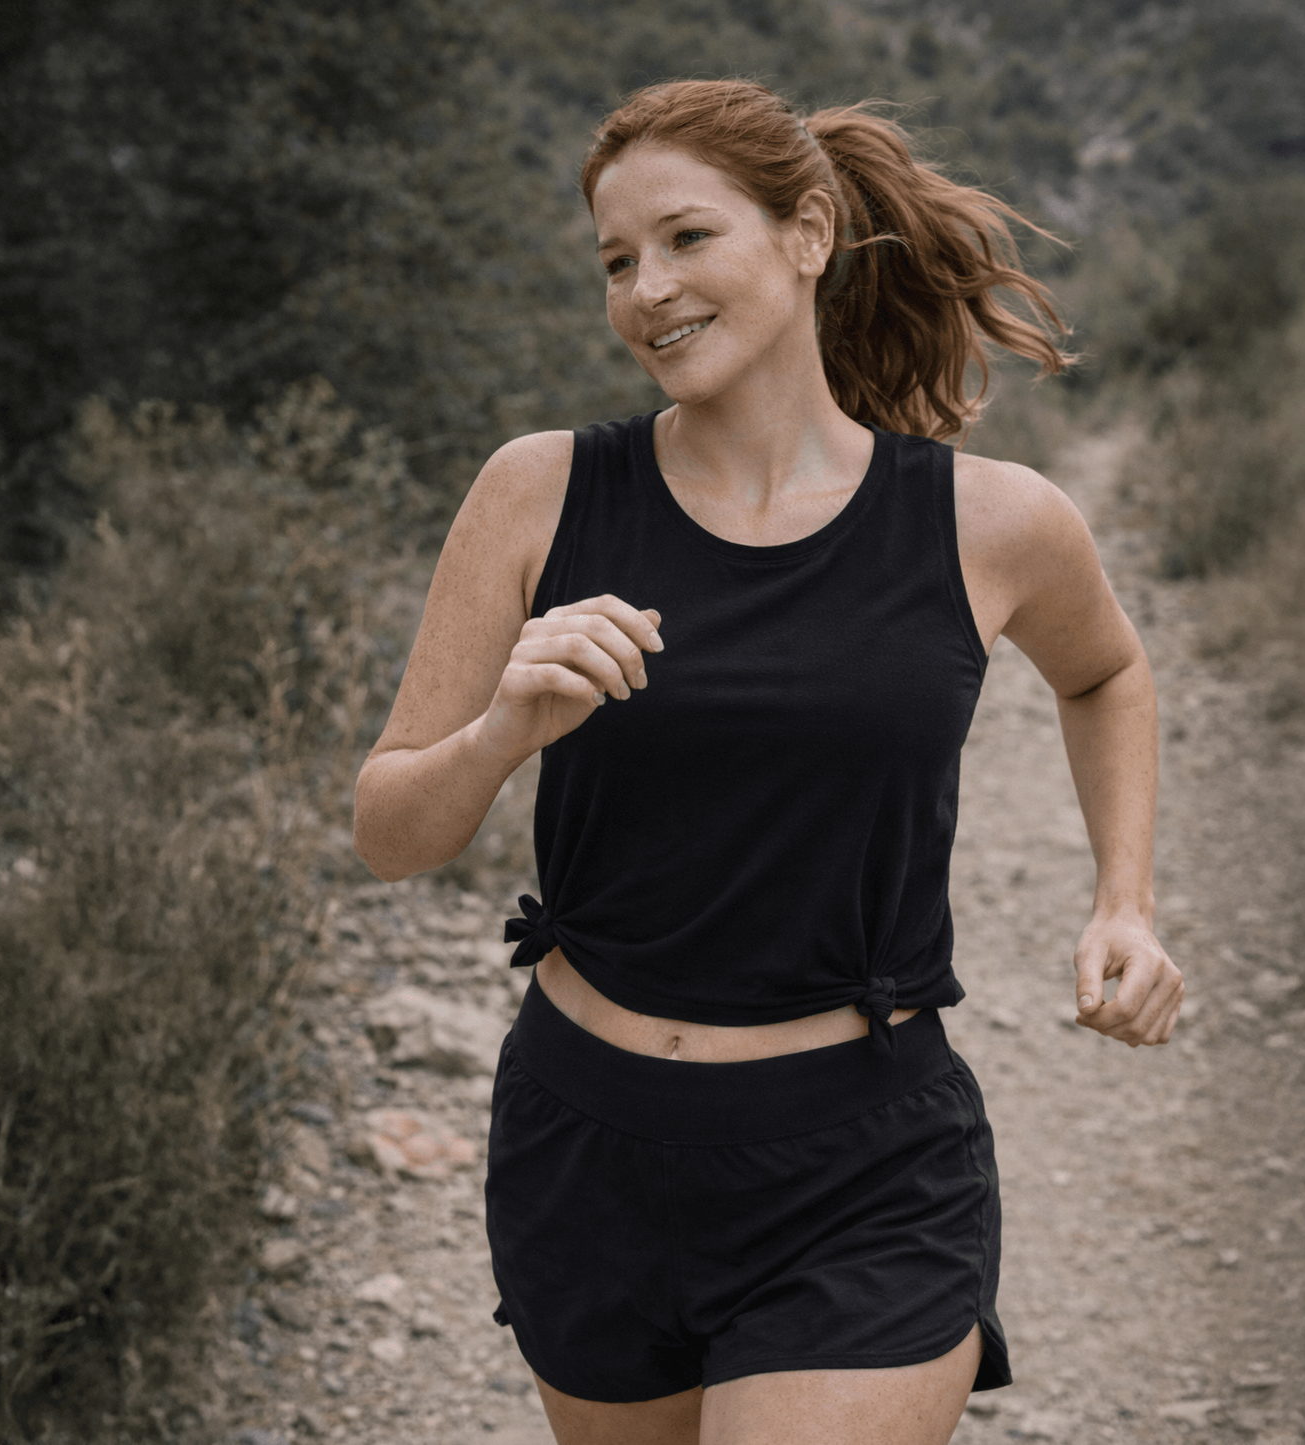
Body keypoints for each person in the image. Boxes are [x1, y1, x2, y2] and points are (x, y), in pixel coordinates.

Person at [353, 78, 1183, 1445]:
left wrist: (1125, 899)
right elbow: (389, 832)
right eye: (616, 261)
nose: (645, 290)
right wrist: (508, 725)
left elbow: (1106, 672)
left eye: (686, 239)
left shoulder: (989, 525)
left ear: (806, 236)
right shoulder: (539, 492)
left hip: (860, 1165)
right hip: (587, 1148)